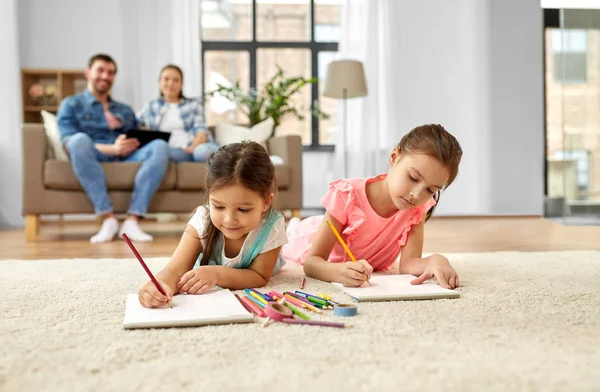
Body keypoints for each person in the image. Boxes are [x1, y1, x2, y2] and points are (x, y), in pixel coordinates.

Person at [283, 124, 463, 289]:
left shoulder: (417, 207)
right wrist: (339, 273)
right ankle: (294, 225)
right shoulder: (347, 195)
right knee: (289, 237)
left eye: (431, 190)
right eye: (413, 178)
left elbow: (408, 264)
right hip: (306, 238)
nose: (416, 194)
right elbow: (312, 263)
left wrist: (435, 260)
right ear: (394, 157)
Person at [138, 141, 287, 308]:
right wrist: (159, 285)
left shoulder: (273, 225)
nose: (229, 219)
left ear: (266, 202)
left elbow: (259, 276)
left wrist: (217, 274)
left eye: (243, 209)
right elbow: (174, 270)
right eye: (219, 206)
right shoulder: (202, 220)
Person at [57, 53, 170, 243]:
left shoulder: (124, 109)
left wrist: (133, 143)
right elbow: (68, 143)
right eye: (100, 70)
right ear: (88, 73)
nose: (105, 76)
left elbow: (136, 136)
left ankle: (132, 220)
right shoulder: (71, 104)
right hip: (95, 155)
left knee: (159, 146)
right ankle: (108, 219)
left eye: (110, 72)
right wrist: (112, 148)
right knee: (78, 140)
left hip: (127, 156)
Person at [136, 64, 219, 163]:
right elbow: (135, 123)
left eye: (176, 80)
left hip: (196, 147)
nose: (171, 83)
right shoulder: (151, 106)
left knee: (204, 152)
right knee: (158, 151)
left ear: (181, 84)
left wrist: (192, 148)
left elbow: (201, 131)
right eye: (166, 79)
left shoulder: (194, 104)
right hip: (171, 151)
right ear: (159, 82)